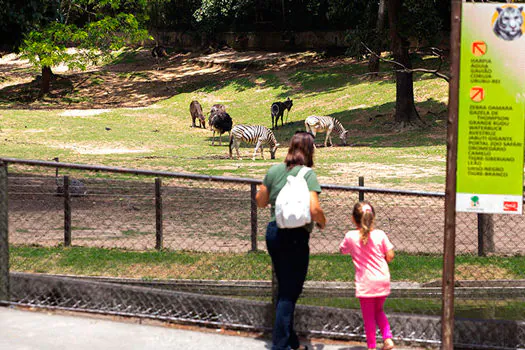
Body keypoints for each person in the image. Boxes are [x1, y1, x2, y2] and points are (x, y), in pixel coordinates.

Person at [256, 131, 327, 350]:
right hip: (296, 237)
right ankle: (280, 346)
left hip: (274, 233)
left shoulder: (274, 170)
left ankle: (291, 340)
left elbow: (260, 201)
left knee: (285, 288)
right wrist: (322, 221)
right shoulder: (308, 174)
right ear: (309, 150)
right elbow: (315, 209)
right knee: (290, 291)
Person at [339, 202, 395, 350]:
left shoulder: (350, 236)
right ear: (373, 217)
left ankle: (371, 347)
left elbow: (342, 250)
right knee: (379, 311)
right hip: (382, 279)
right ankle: (387, 338)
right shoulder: (380, 235)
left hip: (366, 282)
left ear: (353, 218)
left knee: (369, 316)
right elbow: (390, 255)